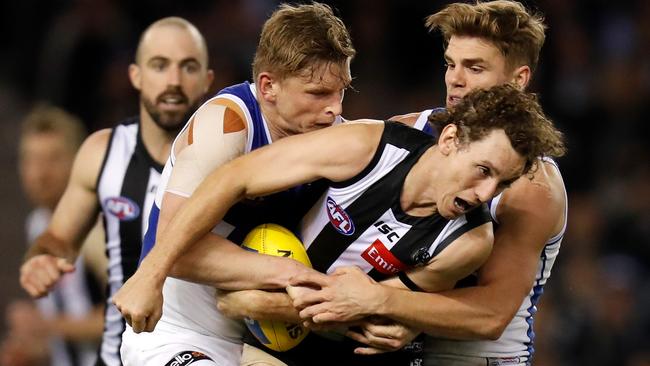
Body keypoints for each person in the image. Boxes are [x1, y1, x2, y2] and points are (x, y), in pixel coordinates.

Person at [127, 84, 565, 366]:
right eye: (483, 170)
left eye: (502, 182)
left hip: (341, 348)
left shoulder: (468, 241)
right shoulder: (366, 145)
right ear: (450, 140)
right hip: (267, 334)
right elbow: (234, 176)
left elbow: (361, 315)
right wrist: (150, 273)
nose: (486, 195)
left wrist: (261, 304)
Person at [285, 1, 568, 365]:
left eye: (475, 67)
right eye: (451, 64)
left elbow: (492, 314)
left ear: (519, 79)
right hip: (393, 347)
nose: (455, 79)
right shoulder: (402, 132)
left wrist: (397, 309)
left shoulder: (530, 185)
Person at [112, 3, 356, 366]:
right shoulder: (225, 124)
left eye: (342, 92)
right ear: (268, 86)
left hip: (252, 346)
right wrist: (292, 273)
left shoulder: (335, 139)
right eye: (318, 93)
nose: (334, 109)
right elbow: (173, 246)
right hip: (174, 333)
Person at [18, 18, 214, 366]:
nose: (173, 80)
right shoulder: (102, 153)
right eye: (159, 65)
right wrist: (42, 258)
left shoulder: (231, 160)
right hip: (117, 358)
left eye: (188, 67)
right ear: (135, 76)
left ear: (207, 79)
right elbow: (58, 237)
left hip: (203, 353)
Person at [2, 105, 105, 366]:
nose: (40, 173)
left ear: (79, 161)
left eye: (53, 159)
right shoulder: (37, 224)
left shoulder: (97, 227)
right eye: (31, 159)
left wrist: (48, 326)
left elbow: (131, 315)